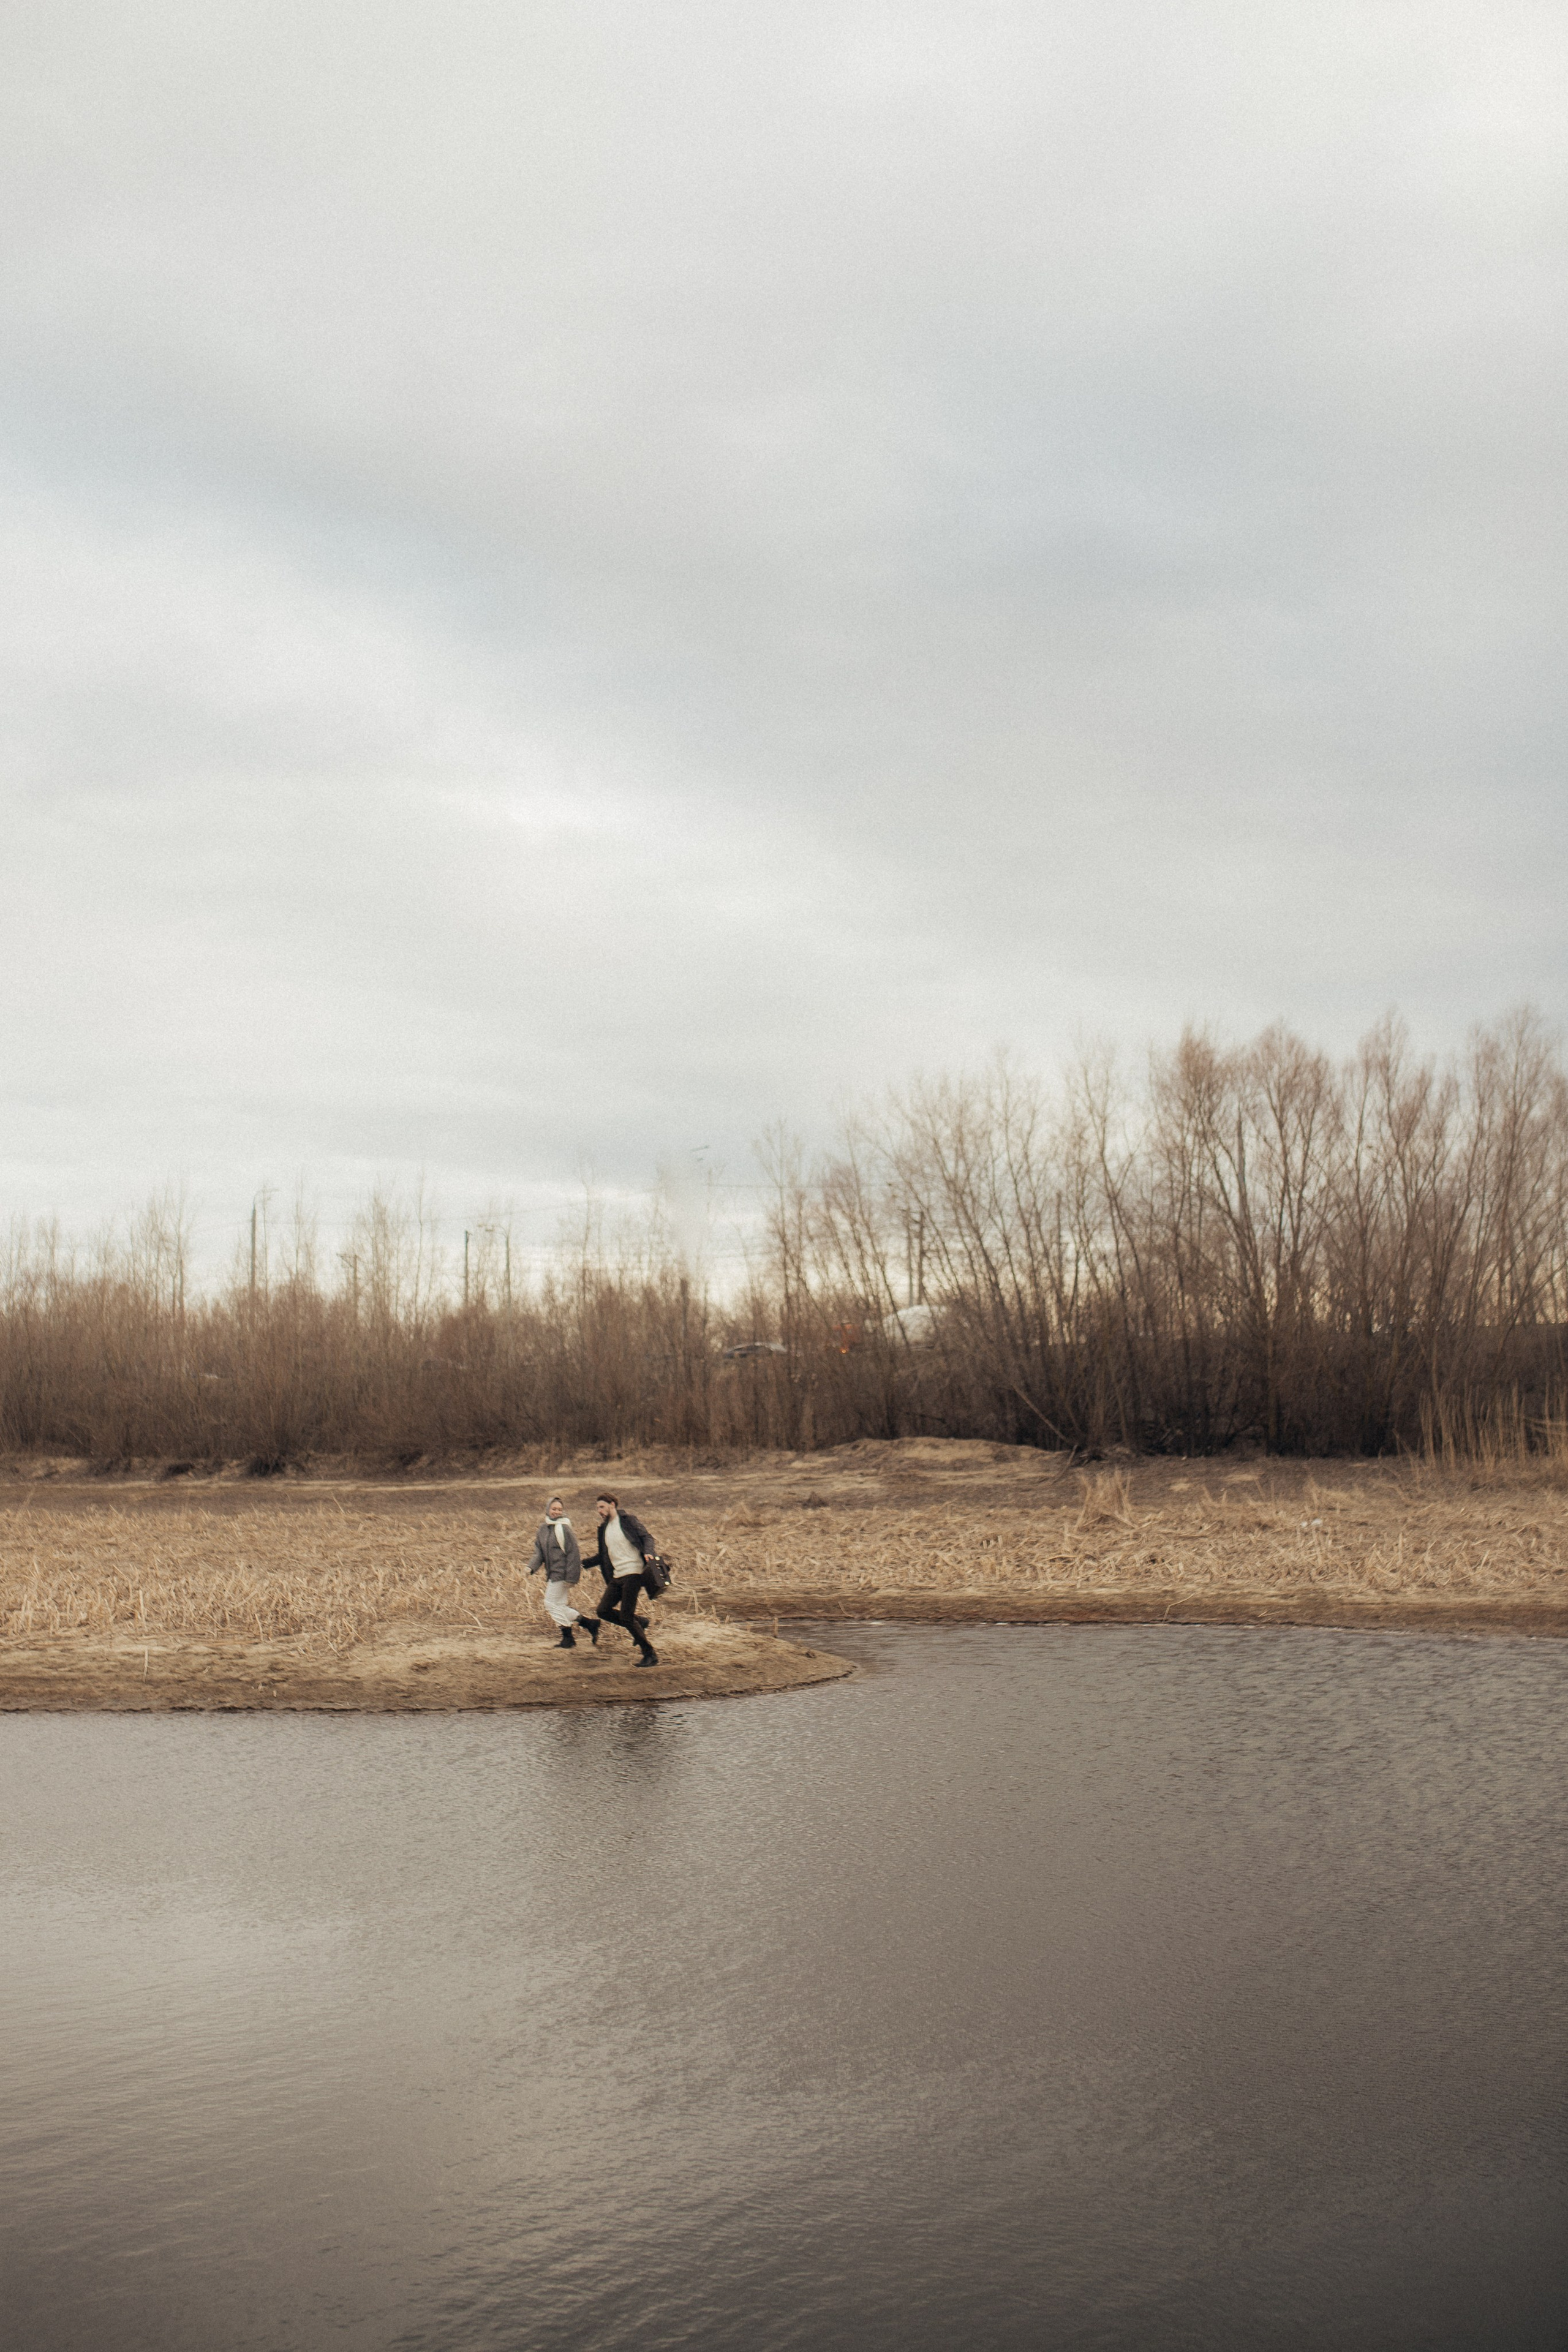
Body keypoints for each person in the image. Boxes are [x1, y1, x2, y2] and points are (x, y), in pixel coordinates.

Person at [586, 1491, 660, 1667]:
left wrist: (649, 1552)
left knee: (627, 1617)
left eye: (602, 1507)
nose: (599, 1511)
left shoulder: (628, 1521)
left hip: (634, 1573)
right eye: (597, 1508)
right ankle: (640, 1622)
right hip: (617, 1576)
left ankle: (650, 1654)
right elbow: (602, 1555)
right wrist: (582, 1564)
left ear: (613, 1505)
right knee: (603, 1611)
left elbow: (647, 1537)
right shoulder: (603, 1529)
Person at [526, 1494, 600, 1650]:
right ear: (548, 1509)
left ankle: (568, 1637)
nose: (557, 1512)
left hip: (563, 1574)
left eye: (560, 1509)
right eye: (554, 1509)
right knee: (559, 1605)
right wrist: (531, 1567)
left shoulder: (564, 1528)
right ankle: (590, 1624)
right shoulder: (543, 1529)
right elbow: (539, 1552)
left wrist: (572, 1577)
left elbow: (574, 1554)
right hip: (552, 1573)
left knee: (550, 1604)